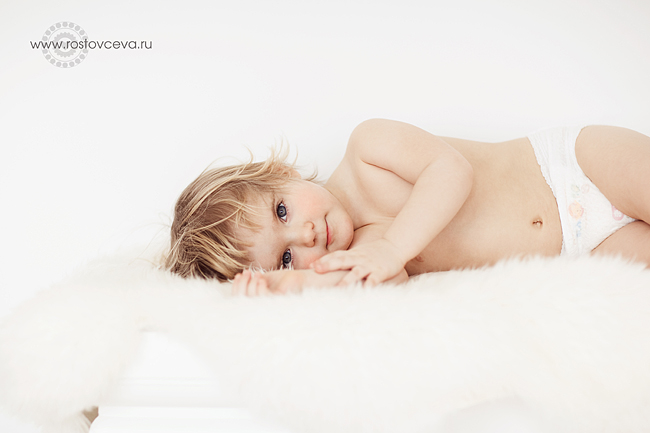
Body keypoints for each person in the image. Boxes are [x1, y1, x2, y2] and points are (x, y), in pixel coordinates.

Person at [165, 119, 650, 295]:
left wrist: (393, 248)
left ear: (281, 174)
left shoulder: (367, 150)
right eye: (287, 256)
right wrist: (289, 286)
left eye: (281, 212)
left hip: (574, 167)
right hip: (578, 250)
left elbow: (451, 171)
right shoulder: (367, 255)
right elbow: (380, 282)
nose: (306, 235)